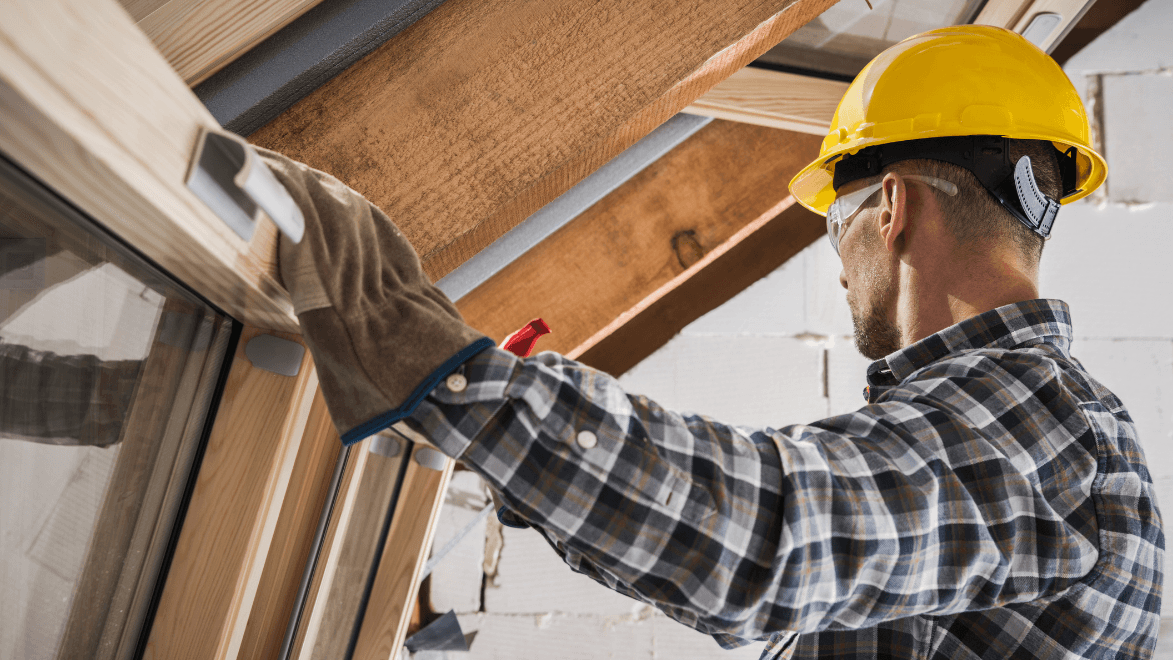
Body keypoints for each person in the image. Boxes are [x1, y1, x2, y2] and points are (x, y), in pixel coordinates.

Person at [266, 25, 1162, 660]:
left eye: (832, 224)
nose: (841, 269)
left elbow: (766, 535)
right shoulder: (1003, 428)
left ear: (889, 208)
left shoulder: (1041, 433)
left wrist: (435, 363)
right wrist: (517, 457)